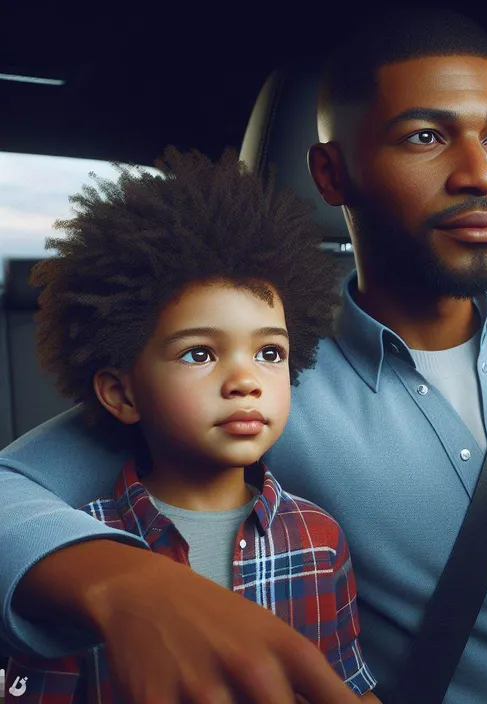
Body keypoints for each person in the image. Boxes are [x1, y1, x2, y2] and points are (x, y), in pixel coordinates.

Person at [2, 8, 487, 704]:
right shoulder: (265, 379)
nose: (483, 173)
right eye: (427, 136)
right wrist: (128, 588)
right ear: (331, 175)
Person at [2, 148, 378, 702]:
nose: (245, 380)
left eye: (270, 353)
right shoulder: (77, 556)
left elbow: (345, 681)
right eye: (200, 354)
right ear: (121, 394)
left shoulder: (320, 538)